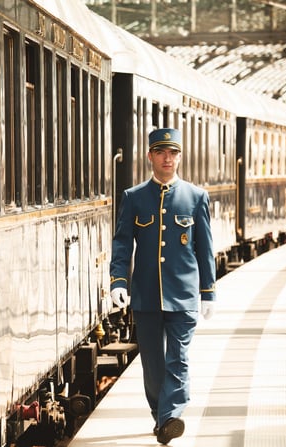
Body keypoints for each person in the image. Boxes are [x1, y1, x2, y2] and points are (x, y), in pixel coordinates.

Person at [109, 127, 216, 445]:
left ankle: (170, 416)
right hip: (146, 296)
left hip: (183, 296)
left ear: (180, 157)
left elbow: (205, 249)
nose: (167, 158)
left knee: (177, 358)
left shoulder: (196, 197)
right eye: (160, 152)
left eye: (173, 153)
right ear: (150, 156)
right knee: (153, 365)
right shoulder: (134, 197)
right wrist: (118, 281)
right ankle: (161, 415)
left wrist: (208, 292)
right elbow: (122, 244)